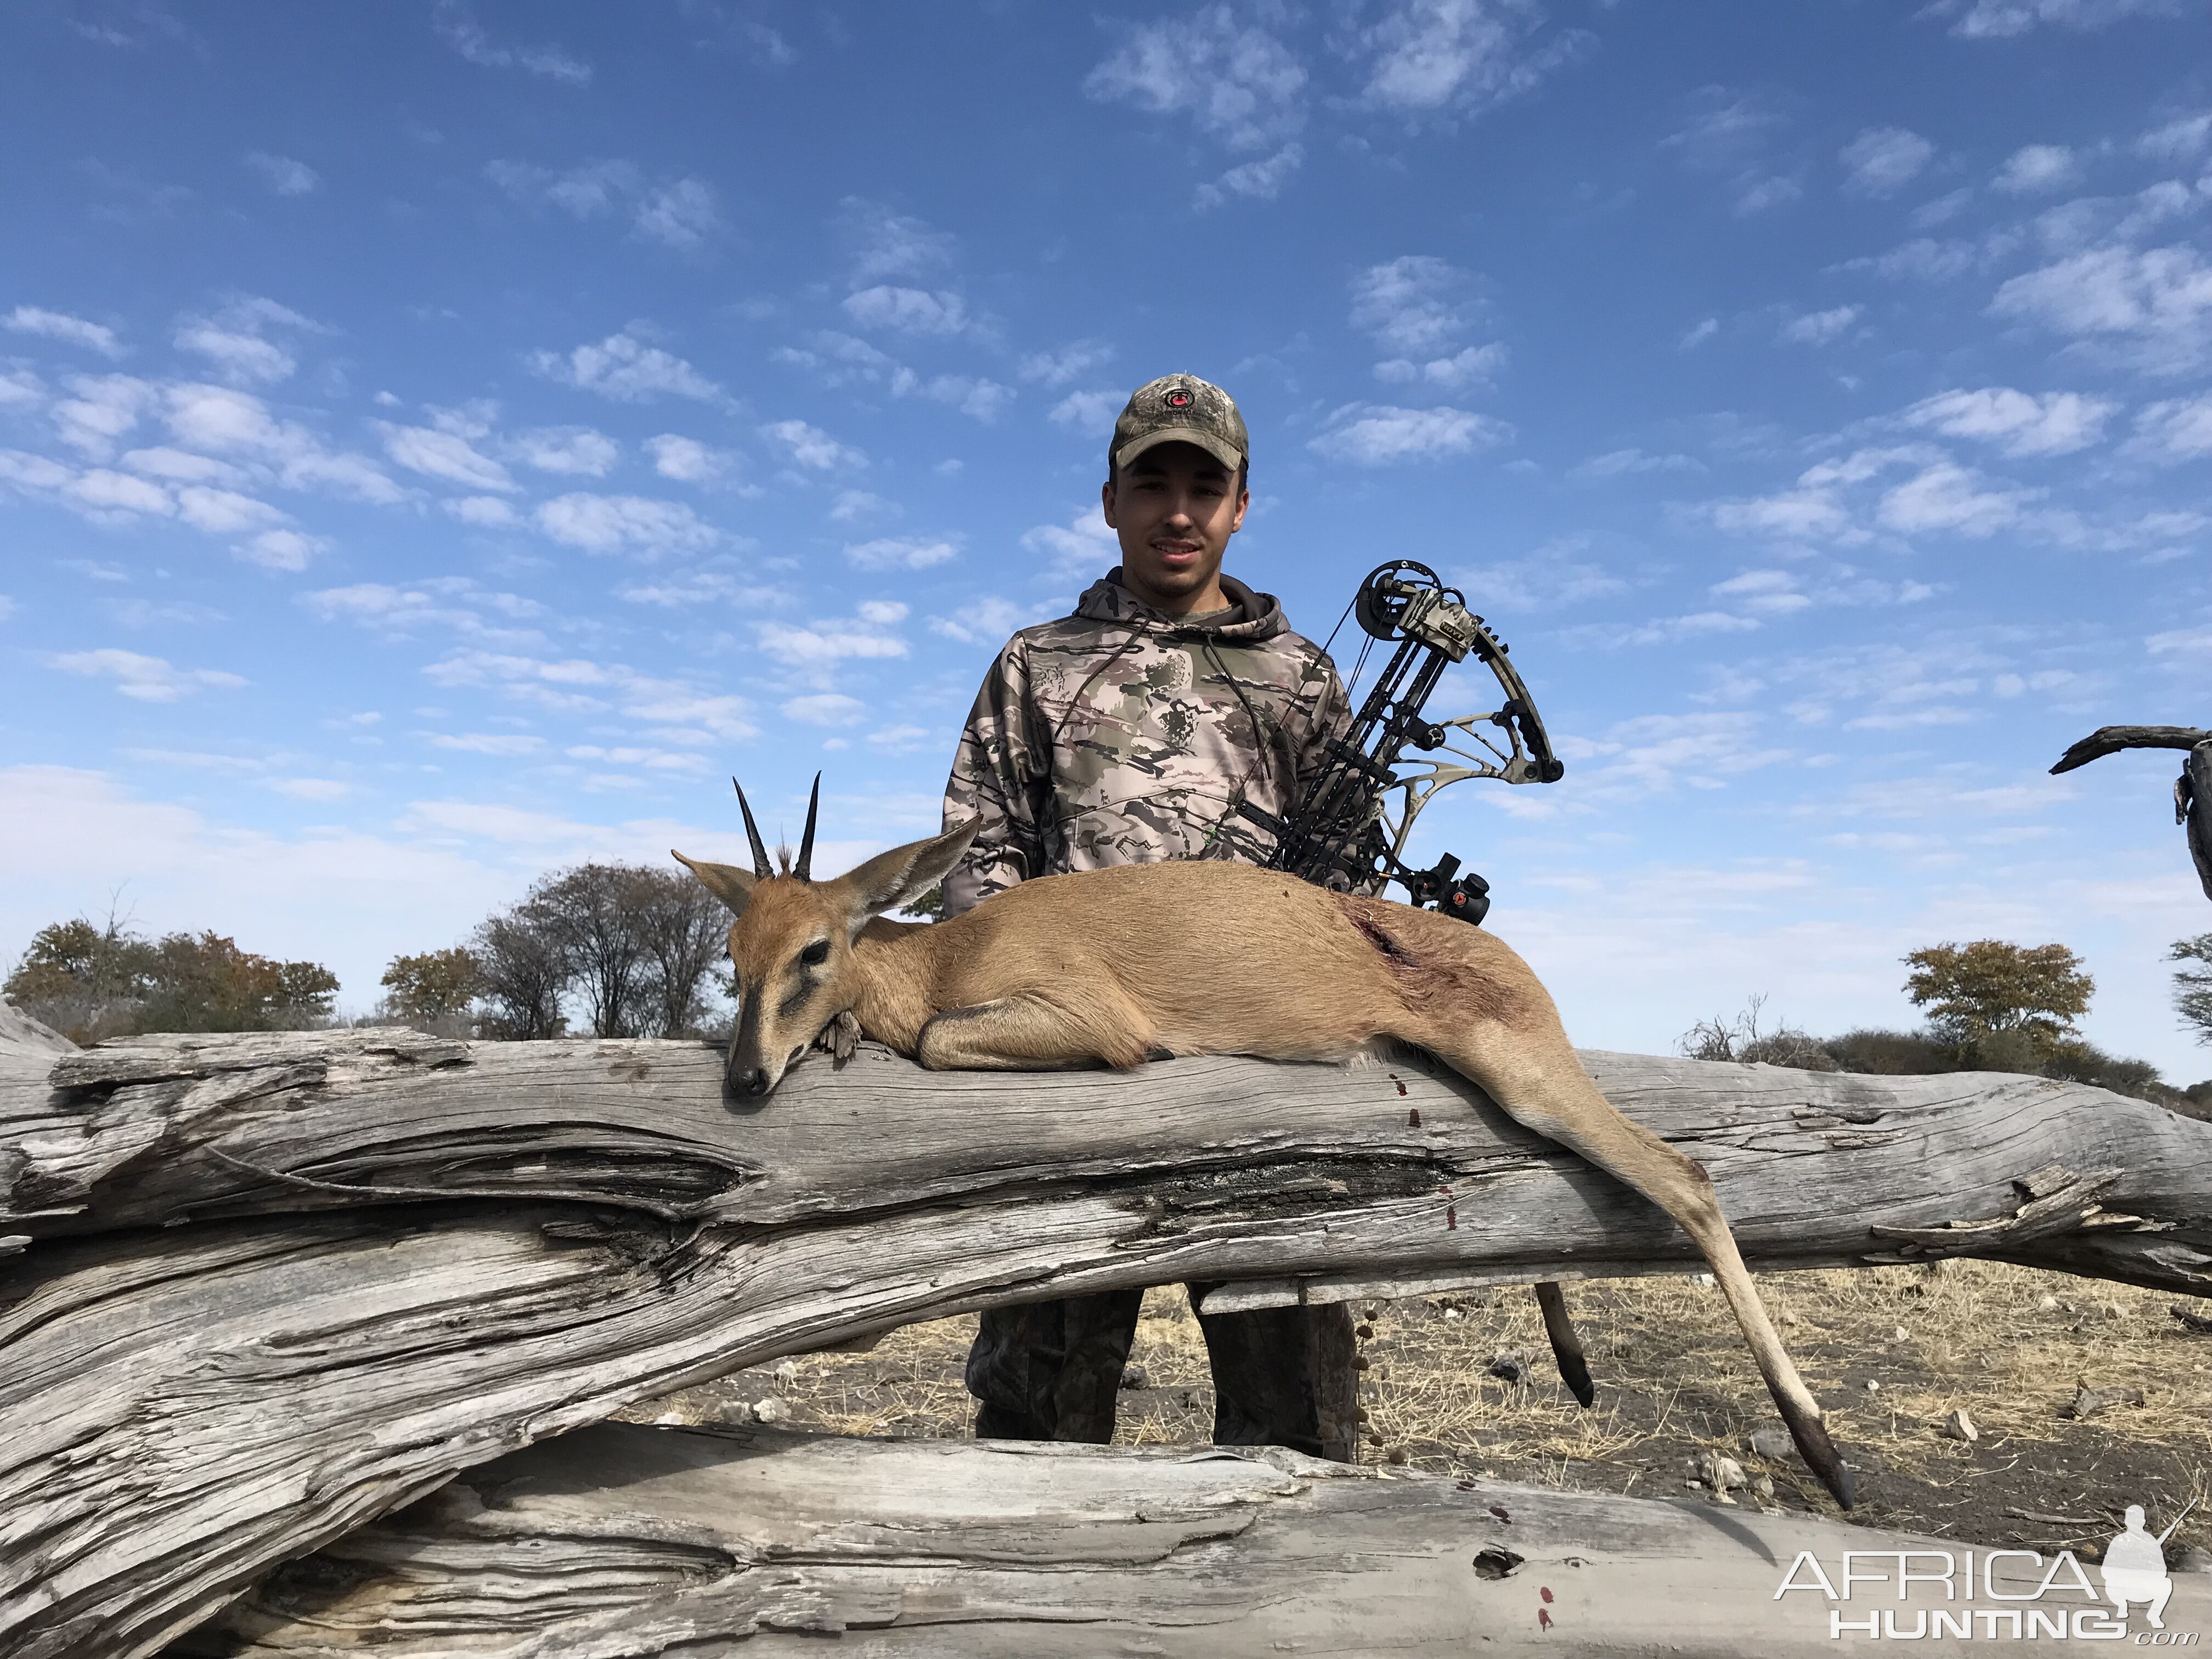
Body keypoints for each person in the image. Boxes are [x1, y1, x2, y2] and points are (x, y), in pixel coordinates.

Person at [937, 371, 1360, 1460]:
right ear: (1111, 500)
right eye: (1153, 483)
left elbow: (1349, 891)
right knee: (1035, 1413)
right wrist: (1022, 1030)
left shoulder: (1303, 677)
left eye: (1204, 486)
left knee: (1295, 1417)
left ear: (1241, 506)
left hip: (1261, 1084)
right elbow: (981, 851)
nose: (1179, 510)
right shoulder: (1038, 662)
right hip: (1073, 1079)